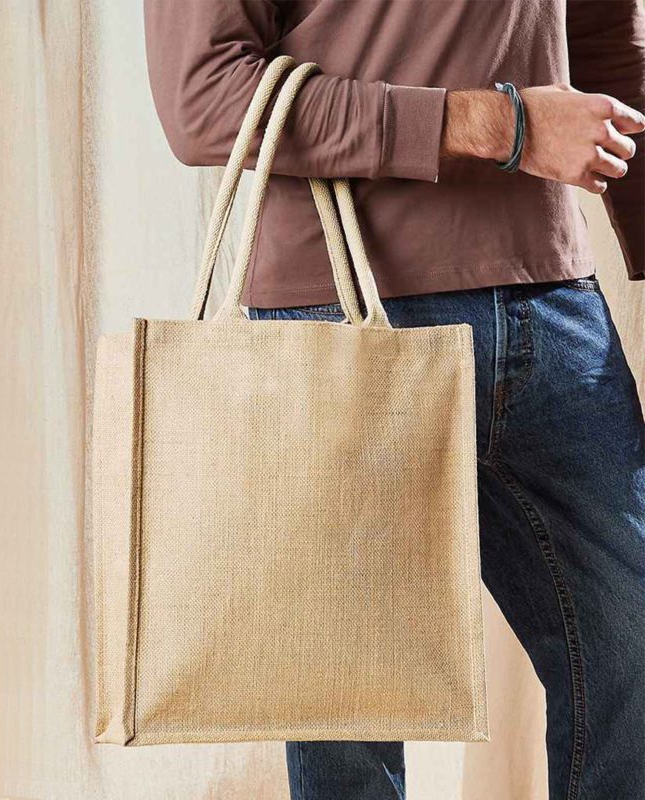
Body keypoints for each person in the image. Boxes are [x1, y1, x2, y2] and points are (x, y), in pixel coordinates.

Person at [143, 2, 645, 798]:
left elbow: (603, 40)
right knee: (348, 724)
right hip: (336, 312)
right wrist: (499, 125)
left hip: (553, 304)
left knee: (631, 657)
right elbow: (203, 98)